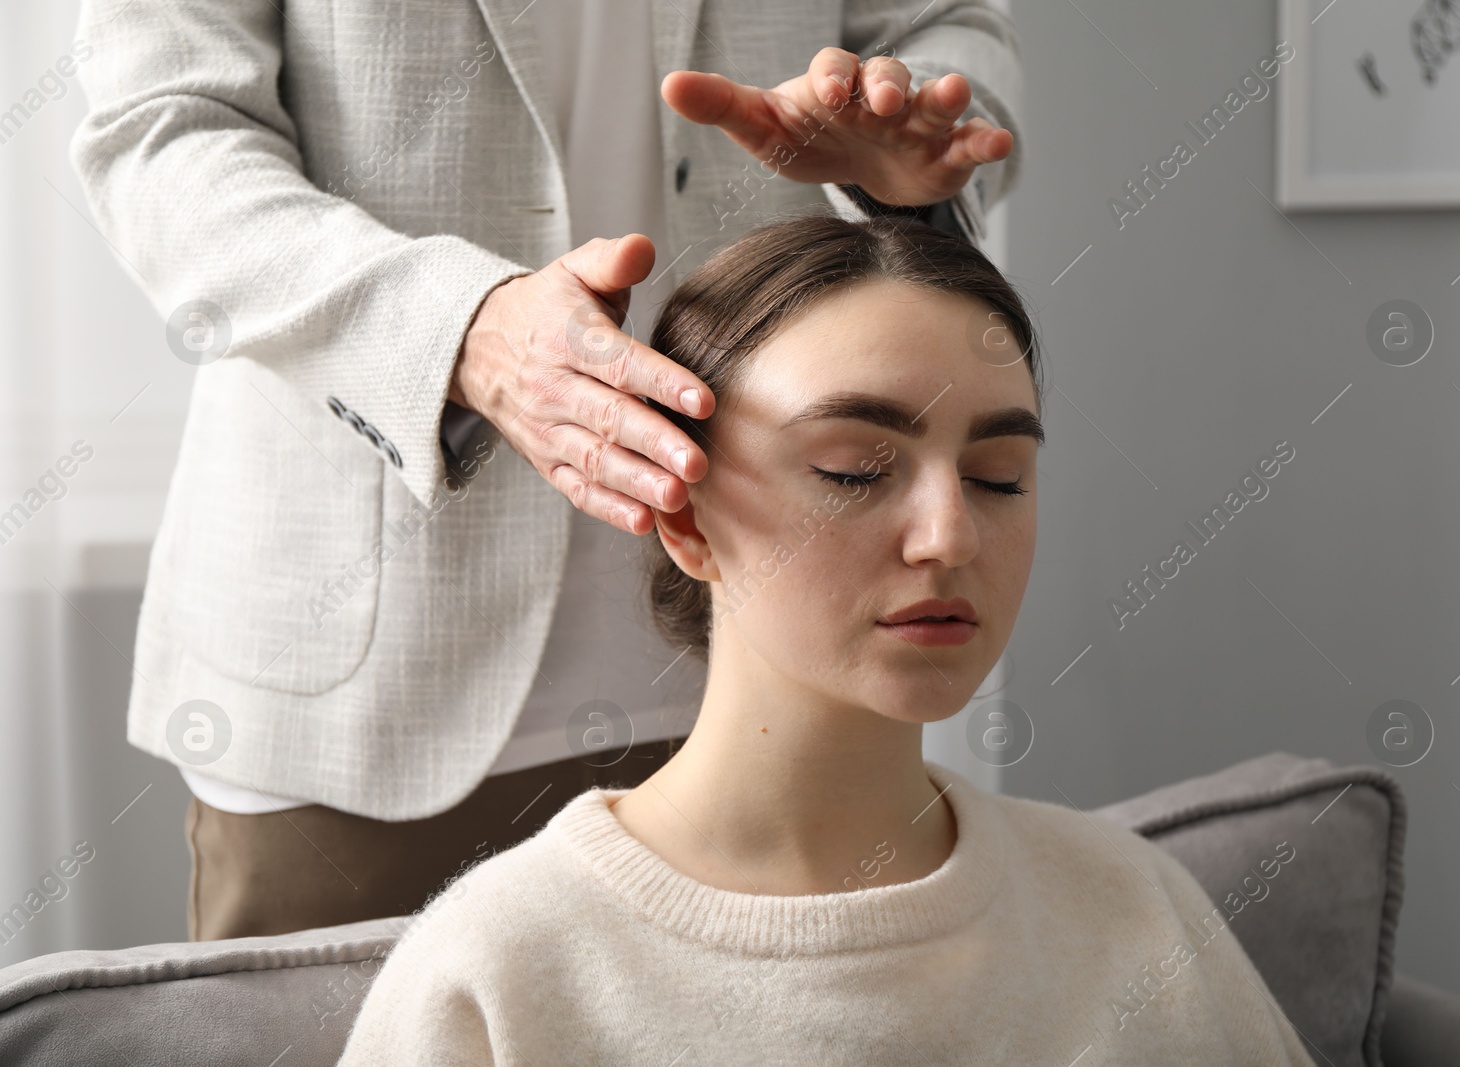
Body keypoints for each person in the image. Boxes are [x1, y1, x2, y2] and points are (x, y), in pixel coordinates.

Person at [67, 0, 1022, 938]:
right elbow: (163, 136)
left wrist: (911, 137)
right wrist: (459, 331)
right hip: (359, 692)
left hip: (759, 680)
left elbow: (947, 28)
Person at [334, 214, 1317, 1067]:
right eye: (853, 469)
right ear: (683, 520)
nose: (950, 534)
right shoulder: (501, 967)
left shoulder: (1131, 906)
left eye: (999, 476)